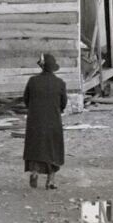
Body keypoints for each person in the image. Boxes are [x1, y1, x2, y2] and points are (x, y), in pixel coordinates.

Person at [22, 54, 67, 191]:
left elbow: (26, 100)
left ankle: (34, 172)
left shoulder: (32, 81)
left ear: (41, 67)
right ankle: (51, 180)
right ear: (53, 68)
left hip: (35, 120)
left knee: (36, 147)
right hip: (53, 120)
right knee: (53, 149)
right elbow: (63, 104)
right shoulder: (60, 83)